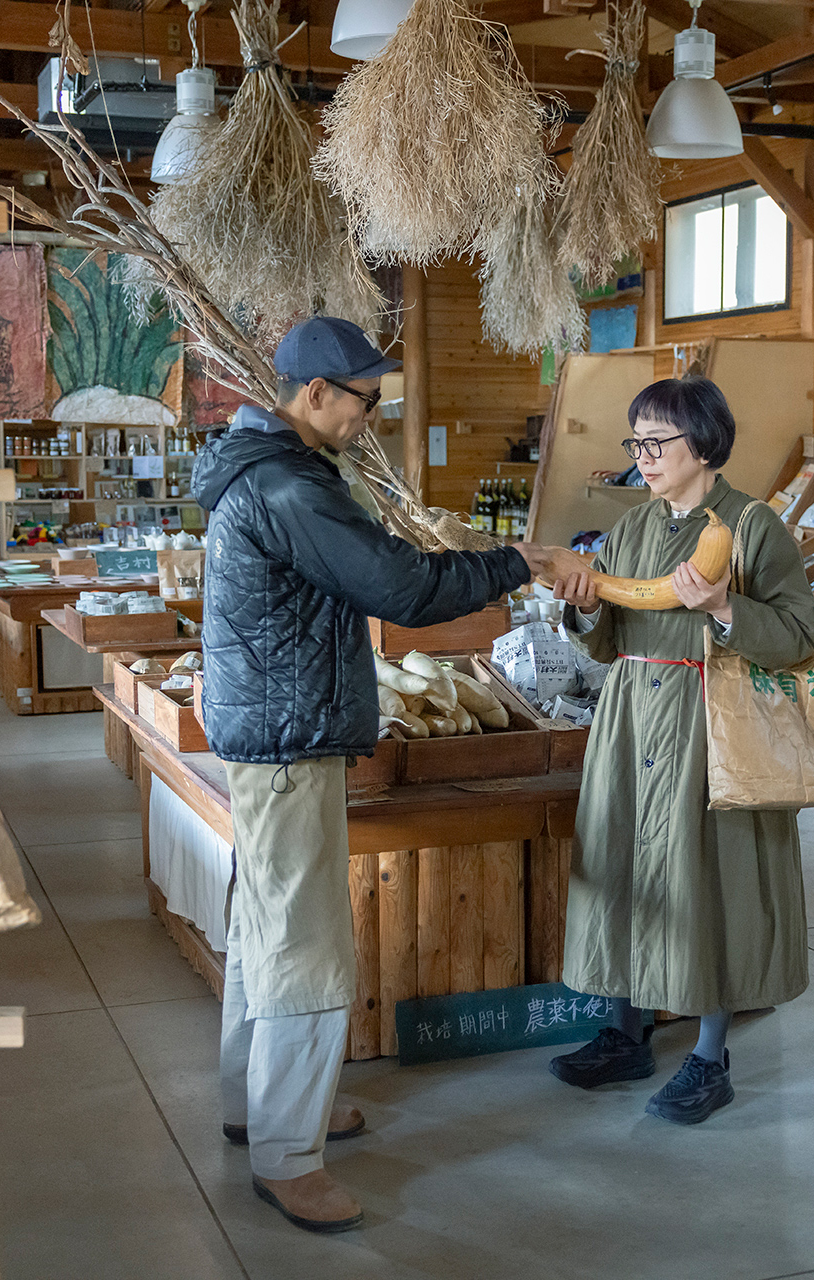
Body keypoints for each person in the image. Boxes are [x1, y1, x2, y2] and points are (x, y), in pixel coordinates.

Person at [190, 316, 554, 1232]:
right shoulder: (287, 486)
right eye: (365, 401)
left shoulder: (271, 470)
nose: (372, 416)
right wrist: (519, 561)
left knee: (266, 924)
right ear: (314, 394)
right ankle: (287, 1155)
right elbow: (402, 590)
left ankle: (261, 1110)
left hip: (273, 728)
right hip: (286, 739)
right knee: (306, 943)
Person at [549, 374, 814, 1125]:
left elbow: (799, 639)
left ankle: (710, 1056)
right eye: (635, 441)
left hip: (713, 723)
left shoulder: (754, 525)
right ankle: (625, 1032)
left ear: (702, 442)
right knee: (627, 867)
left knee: (711, 878)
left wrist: (727, 607)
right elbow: (608, 644)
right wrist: (581, 612)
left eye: (656, 440)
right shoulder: (630, 531)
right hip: (632, 715)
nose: (643, 455)